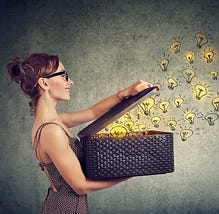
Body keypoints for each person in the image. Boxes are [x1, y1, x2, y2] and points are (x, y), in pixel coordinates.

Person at [7, 53, 152, 213]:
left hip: (64, 205)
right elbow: (81, 186)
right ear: (44, 83)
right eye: (64, 75)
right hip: (65, 209)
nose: (70, 82)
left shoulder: (53, 122)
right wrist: (130, 173)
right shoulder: (51, 131)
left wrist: (127, 92)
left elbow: (93, 112)